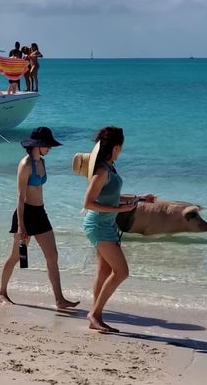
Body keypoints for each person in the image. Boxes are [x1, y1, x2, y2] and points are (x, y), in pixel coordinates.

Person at [82, 126, 155, 333]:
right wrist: (119, 209)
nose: (121, 150)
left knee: (104, 271)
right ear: (116, 147)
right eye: (121, 147)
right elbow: (88, 202)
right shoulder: (103, 171)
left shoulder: (109, 167)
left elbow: (111, 196)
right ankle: (94, 314)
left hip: (106, 225)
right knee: (122, 272)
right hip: (98, 225)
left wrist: (138, 198)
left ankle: (96, 314)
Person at [0, 127, 80, 310]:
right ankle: (2, 292)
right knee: (15, 257)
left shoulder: (41, 161)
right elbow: (20, 196)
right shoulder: (25, 164)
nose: (49, 149)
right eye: (47, 145)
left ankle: (59, 299)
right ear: (38, 145)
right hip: (25, 214)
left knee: (53, 256)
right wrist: (21, 226)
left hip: (40, 213)